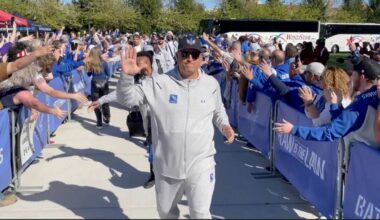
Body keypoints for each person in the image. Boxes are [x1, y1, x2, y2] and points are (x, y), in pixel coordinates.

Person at [116, 36, 235, 219]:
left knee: (201, 213)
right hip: (166, 166)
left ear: (201, 58)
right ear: (177, 56)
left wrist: (225, 126)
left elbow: (218, 111)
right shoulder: (159, 83)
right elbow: (127, 99)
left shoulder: (211, 84)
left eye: (194, 54)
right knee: (166, 213)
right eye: (185, 53)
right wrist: (126, 77)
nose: (189, 58)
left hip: (201, 163)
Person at [274, 58, 380, 145]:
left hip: (362, 163)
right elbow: (340, 121)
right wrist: (334, 105)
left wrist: (293, 130)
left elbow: (330, 132)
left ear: (362, 77)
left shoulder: (360, 104)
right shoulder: (373, 95)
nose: (350, 78)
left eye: (353, 74)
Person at [86, 47, 111, 129]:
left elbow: (88, 75)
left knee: (95, 103)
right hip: (104, 82)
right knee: (105, 101)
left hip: (95, 83)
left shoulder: (91, 63)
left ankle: (99, 123)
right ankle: (107, 119)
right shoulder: (104, 62)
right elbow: (109, 73)